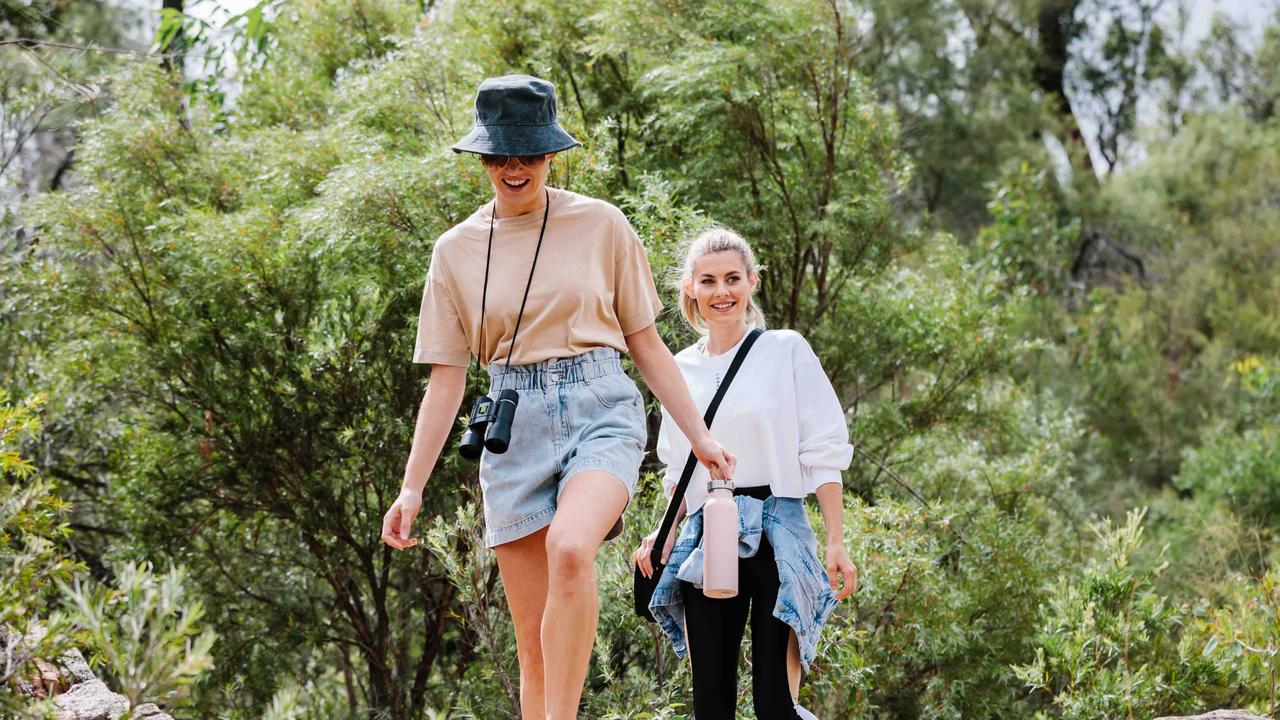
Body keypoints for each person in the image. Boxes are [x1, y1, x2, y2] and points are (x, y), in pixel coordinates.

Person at [379, 75, 736, 720]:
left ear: (551, 154)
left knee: (571, 548)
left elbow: (646, 343)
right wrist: (411, 489)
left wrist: (701, 437)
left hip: (599, 406)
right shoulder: (455, 251)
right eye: (500, 155)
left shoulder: (602, 225)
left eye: (529, 153)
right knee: (532, 641)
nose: (514, 169)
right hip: (510, 423)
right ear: (484, 158)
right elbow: (446, 379)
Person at [633, 228, 858, 720]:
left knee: (776, 704)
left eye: (733, 279)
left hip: (778, 527)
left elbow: (823, 448)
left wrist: (835, 540)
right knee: (710, 704)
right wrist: (664, 532)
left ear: (752, 283)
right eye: (709, 281)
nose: (722, 292)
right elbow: (679, 467)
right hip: (708, 531)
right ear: (690, 287)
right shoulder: (679, 368)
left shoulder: (785, 350)